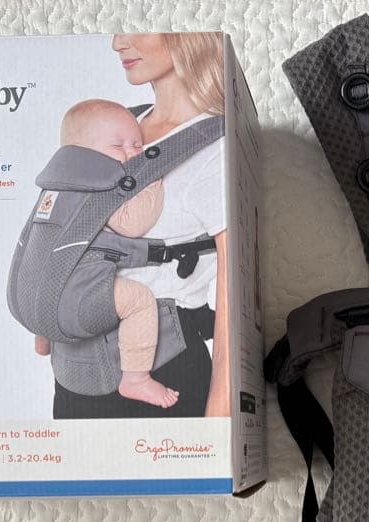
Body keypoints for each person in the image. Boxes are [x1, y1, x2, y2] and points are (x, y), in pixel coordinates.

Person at [51, 33, 230, 419]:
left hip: (162, 363)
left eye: (137, 27)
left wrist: (220, 419)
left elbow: (234, 298)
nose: (118, 42)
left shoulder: (216, 148)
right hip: (73, 367)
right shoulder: (111, 124)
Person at [32, 99, 179, 408]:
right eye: (118, 146)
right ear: (83, 154)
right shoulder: (98, 185)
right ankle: (135, 378)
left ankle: (43, 339)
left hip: (46, 287)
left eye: (137, 145)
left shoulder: (55, 186)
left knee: (45, 288)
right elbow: (133, 223)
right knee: (139, 301)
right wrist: (153, 179)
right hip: (79, 288)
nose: (133, 153)